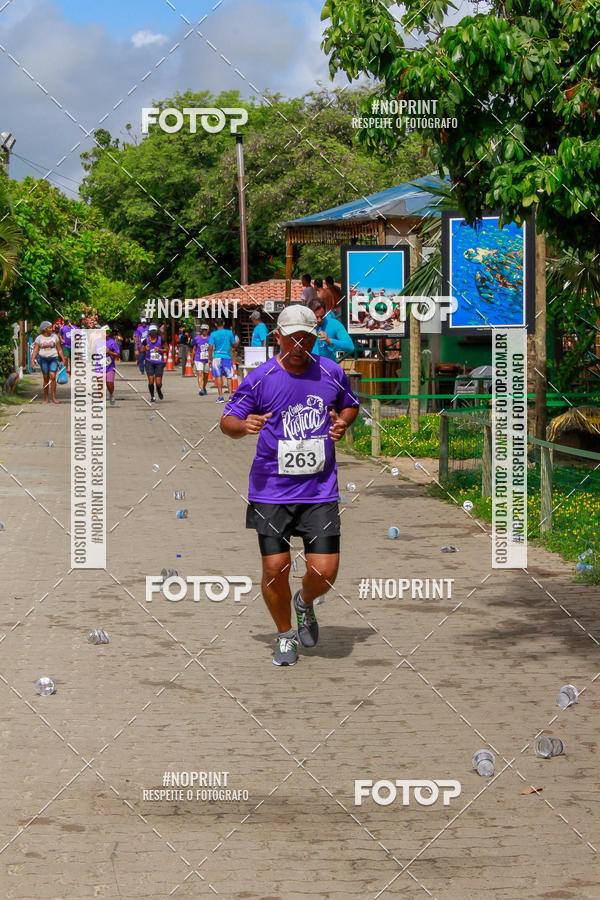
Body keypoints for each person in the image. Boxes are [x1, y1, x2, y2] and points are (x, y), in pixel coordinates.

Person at [220, 304, 359, 667]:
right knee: (275, 568)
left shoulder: (331, 371)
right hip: (271, 491)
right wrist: (243, 426)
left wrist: (343, 423)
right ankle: (284, 635)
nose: (299, 345)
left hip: (319, 490)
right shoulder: (261, 377)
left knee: (325, 571)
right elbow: (227, 421)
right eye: (292, 338)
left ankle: (305, 602)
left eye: (306, 338)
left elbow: (350, 405)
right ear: (278, 337)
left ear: (315, 338)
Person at [30, 320, 67, 404]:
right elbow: (35, 350)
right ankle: (46, 398)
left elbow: (59, 349)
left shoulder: (55, 337)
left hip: (53, 358)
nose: (51, 329)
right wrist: (32, 360)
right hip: (43, 359)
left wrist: (63, 359)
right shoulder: (39, 338)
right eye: (50, 328)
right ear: (45, 329)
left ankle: (53, 397)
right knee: (46, 378)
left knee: (53, 376)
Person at [208, 318, 239, 403]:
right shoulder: (229, 333)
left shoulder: (213, 334)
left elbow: (210, 347)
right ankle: (230, 396)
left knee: (218, 376)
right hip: (227, 357)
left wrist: (209, 358)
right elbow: (234, 345)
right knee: (229, 376)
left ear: (215, 324)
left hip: (216, 357)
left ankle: (220, 397)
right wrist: (237, 341)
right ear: (224, 323)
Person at [95, 325, 121, 406]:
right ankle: (101, 402)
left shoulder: (112, 342)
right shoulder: (96, 342)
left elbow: (117, 355)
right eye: (105, 331)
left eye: (108, 331)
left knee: (110, 384)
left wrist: (109, 352)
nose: (107, 333)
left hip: (110, 367)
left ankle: (111, 394)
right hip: (99, 366)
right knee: (100, 383)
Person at [140, 324, 167, 401]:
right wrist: (145, 348)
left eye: (154, 332)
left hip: (159, 362)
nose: (153, 333)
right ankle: (152, 396)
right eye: (151, 332)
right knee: (151, 380)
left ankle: (158, 389)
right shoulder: (145, 341)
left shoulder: (161, 340)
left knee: (158, 382)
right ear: (149, 332)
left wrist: (160, 350)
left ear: (156, 332)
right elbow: (141, 351)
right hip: (149, 362)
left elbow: (166, 349)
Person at [192, 323, 211, 395]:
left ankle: (203, 387)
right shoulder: (197, 338)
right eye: (203, 330)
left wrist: (211, 358)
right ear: (201, 330)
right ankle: (201, 389)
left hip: (207, 359)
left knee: (206, 375)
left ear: (208, 330)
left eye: (205, 330)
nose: (204, 331)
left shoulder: (210, 339)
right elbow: (194, 349)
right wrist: (192, 359)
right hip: (198, 358)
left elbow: (212, 349)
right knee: (200, 373)